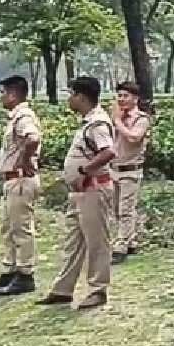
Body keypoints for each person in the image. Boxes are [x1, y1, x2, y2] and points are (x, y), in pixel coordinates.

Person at [38, 76, 117, 310]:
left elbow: (108, 152)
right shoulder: (88, 122)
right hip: (81, 192)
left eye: (71, 94)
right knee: (73, 242)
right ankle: (63, 289)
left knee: (97, 242)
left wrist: (85, 169)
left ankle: (98, 289)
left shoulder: (97, 124)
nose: (69, 99)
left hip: (94, 189)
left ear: (81, 96)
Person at [0, 75, 43, 296]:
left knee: (21, 228)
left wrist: (25, 160)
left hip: (20, 179)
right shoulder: (15, 117)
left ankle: (26, 274)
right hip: (13, 179)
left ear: (12, 94)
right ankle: (11, 269)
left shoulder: (24, 116)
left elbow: (33, 139)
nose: (1, 98)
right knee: (9, 228)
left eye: (3, 93)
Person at [110, 81, 151, 265]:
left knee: (126, 209)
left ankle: (121, 244)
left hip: (131, 171)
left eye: (125, 96)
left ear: (135, 98)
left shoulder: (141, 119)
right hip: (114, 169)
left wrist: (117, 122)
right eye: (119, 95)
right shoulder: (114, 118)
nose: (121, 99)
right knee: (117, 209)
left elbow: (134, 138)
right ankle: (131, 239)